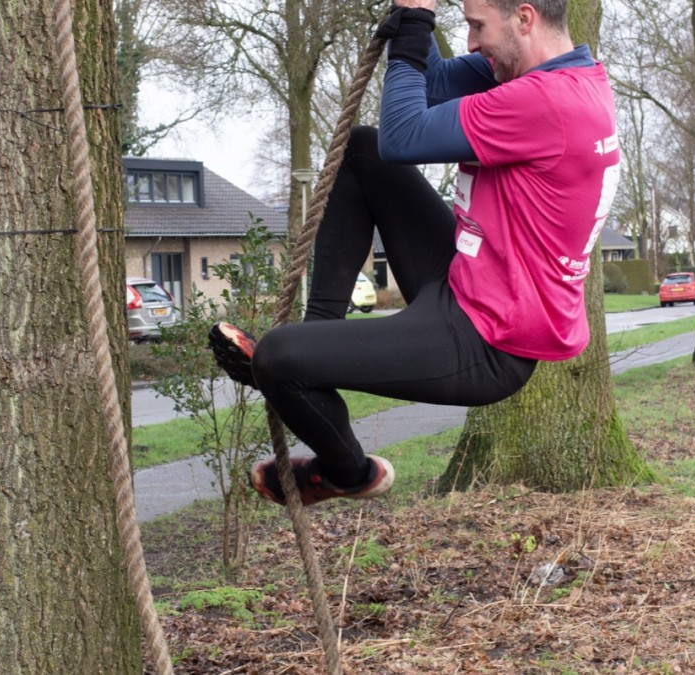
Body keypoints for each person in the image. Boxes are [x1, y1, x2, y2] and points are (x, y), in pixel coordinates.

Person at [209, 0, 621, 506]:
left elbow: (403, 137)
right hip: (470, 275)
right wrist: (410, 14)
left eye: (477, 26)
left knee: (276, 358)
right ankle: (317, 340)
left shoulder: (546, 102)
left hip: (488, 339)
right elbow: (432, 82)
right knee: (359, 152)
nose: (471, 42)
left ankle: (347, 473)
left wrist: (417, 27)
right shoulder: (560, 76)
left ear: (524, 17)